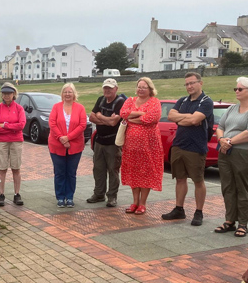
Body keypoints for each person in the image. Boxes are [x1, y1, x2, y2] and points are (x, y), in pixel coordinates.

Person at [162, 72, 214, 226]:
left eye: (192, 83)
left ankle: (199, 212)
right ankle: (179, 209)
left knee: (198, 180)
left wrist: (186, 118)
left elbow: (195, 119)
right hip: (178, 145)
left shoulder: (206, 102)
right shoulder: (182, 100)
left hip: (196, 147)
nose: (189, 86)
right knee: (180, 178)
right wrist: (188, 119)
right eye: (187, 84)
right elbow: (171, 116)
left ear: (200, 83)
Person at [214, 77, 248, 237]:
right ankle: (229, 220)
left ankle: (242, 223)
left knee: (242, 187)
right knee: (227, 186)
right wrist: (222, 140)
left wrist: (229, 141)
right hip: (225, 151)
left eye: (240, 89)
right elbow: (220, 127)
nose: (236, 91)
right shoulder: (232, 108)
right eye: (236, 89)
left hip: (243, 152)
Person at [119, 77, 164, 215]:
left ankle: (142, 203)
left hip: (149, 146)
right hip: (131, 146)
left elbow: (152, 118)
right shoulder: (130, 100)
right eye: (139, 86)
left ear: (150, 89)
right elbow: (123, 113)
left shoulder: (154, 102)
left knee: (146, 173)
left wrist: (132, 118)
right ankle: (134, 202)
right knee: (134, 173)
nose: (141, 89)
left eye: (144, 87)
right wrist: (140, 114)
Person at [87, 78, 126, 207]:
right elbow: (91, 117)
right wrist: (107, 120)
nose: (107, 90)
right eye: (105, 88)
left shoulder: (121, 102)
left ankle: (112, 197)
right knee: (98, 169)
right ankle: (98, 194)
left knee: (113, 170)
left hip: (113, 142)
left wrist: (100, 116)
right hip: (99, 141)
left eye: (110, 88)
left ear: (116, 88)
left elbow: (114, 122)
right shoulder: (100, 99)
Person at [48, 83, 87, 208]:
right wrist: (61, 138)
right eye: (65, 92)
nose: (67, 94)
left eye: (70, 92)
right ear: (62, 94)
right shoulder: (56, 107)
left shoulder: (80, 108)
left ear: (74, 94)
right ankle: (60, 197)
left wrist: (68, 138)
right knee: (59, 172)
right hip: (56, 145)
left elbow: (82, 125)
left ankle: (69, 197)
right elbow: (52, 124)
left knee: (71, 172)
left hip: (75, 145)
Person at [0, 82, 26, 206]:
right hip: (1, 141)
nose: (6, 96)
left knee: (16, 168)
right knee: (2, 168)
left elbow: (21, 125)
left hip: (16, 141)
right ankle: (1, 194)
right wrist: (13, 127)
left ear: (14, 94)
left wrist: (5, 125)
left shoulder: (19, 108)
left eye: (9, 93)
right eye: (4, 93)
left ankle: (17, 194)